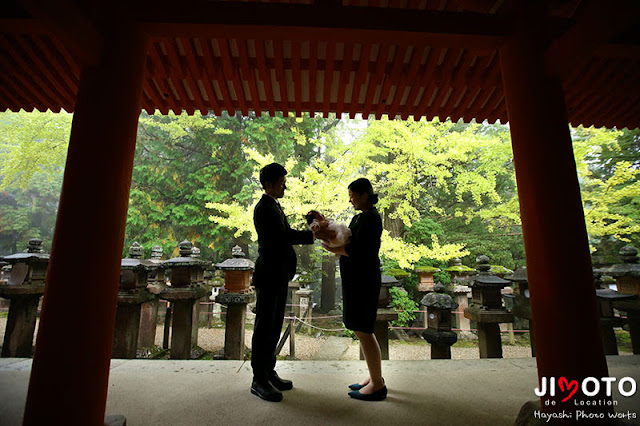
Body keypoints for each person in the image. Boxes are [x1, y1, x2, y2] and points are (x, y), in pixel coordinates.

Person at [250, 162, 334, 402]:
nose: (284, 186)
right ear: (269, 184)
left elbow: (283, 236)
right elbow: (282, 237)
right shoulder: (264, 208)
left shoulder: (274, 206)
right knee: (265, 326)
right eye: (281, 182)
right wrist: (313, 234)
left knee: (274, 324)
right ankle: (258, 380)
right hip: (269, 274)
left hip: (278, 274)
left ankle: (268, 371)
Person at [322, 178, 386, 401]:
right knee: (360, 328)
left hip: (364, 279)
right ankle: (373, 376)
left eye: (353, 195)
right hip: (355, 278)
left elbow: (362, 252)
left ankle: (377, 384)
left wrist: (335, 249)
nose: (350, 199)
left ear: (365, 194)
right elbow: (349, 242)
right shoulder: (360, 217)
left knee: (364, 329)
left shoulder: (373, 219)